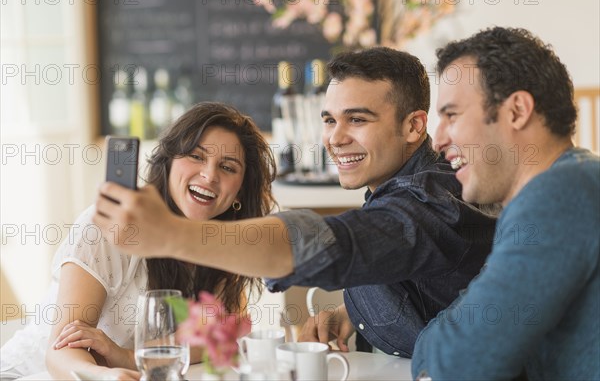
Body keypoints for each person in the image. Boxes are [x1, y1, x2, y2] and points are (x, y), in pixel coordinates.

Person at [93, 47, 497, 358]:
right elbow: (400, 261)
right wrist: (354, 315)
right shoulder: (390, 191)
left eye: (357, 120)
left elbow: (338, 244)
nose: (335, 138)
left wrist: (171, 234)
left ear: (413, 126)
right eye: (328, 119)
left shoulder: (436, 196)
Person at [0, 102, 276, 381]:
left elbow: (221, 335)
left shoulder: (222, 244)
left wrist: (126, 358)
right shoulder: (110, 226)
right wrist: (106, 376)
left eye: (228, 167)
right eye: (195, 156)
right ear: (168, 162)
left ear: (240, 192)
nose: (209, 175)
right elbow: (60, 351)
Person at [411, 27, 600, 380]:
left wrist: (431, 360)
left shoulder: (561, 194)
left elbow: (462, 362)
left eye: (451, 115)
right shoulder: (573, 182)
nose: (437, 140)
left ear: (516, 110)